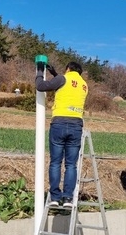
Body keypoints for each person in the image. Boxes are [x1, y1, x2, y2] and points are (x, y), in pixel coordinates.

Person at [35, 61, 88, 208]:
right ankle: (68, 199)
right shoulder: (84, 85)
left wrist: (39, 72)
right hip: (76, 125)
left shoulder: (63, 79)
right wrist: (55, 73)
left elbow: (41, 86)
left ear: (68, 69)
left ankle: (55, 197)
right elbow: (67, 85)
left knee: (56, 162)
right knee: (71, 165)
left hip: (59, 124)